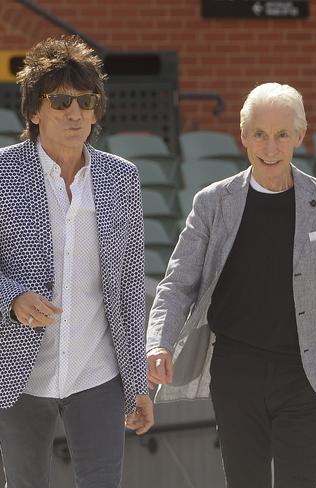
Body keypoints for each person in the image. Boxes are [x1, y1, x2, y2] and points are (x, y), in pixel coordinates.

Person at [146, 82, 316, 488]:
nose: (270, 146)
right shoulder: (212, 203)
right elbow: (178, 282)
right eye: (259, 134)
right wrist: (158, 341)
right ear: (243, 136)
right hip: (237, 371)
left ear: (300, 137)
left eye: (281, 135)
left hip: (308, 374)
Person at [0, 36, 153, 488]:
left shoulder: (122, 178)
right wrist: (12, 298)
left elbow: (128, 290)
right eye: (61, 100)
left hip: (97, 370)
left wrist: (137, 382)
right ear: (34, 111)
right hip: (19, 373)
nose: (74, 113)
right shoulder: (3, 174)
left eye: (85, 102)